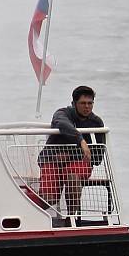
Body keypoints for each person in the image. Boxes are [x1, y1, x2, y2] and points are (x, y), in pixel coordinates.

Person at [38, 85, 105, 218]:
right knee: (49, 198)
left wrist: (70, 155)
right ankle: (25, 210)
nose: (87, 107)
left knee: (72, 176)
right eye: (82, 103)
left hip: (78, 162)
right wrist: (81, 140)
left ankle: (71, 219)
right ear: (73, 104)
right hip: (52, 160)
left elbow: (97, 159)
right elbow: (61, 123)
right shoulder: (62, 113)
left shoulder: (96, 122)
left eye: (90, 103)